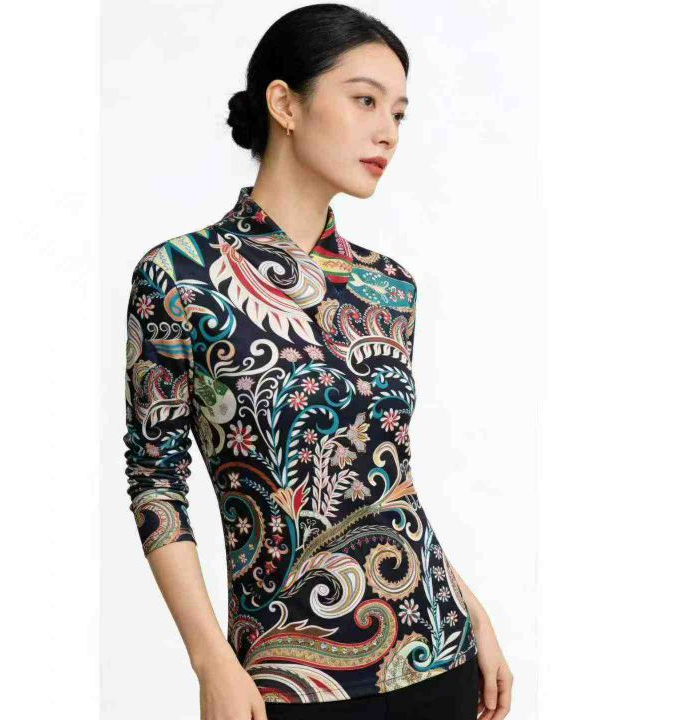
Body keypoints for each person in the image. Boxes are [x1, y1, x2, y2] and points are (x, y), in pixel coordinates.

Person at [123, 4, 513, 719]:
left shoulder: (388, 287)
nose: (388, 131)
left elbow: (387, 482)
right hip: (286, 680)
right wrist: (211, 661)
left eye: (398, 112)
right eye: (365, 100)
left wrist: (473, 608)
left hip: (440, 654)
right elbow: (156, 483)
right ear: (285, 104)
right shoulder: (180, 277)